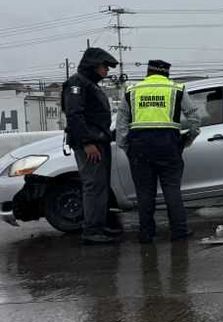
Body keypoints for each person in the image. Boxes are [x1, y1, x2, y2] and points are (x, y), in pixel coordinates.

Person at [116, 60, 201, 243]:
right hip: (168, 145)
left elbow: (121, 122)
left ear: (148, 72)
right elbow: (194, 118)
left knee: (144, 193)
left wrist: (126, 147)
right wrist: (188, 139)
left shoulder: (132, 90)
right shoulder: (176, 89)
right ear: (167, 73)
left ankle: (146, 234)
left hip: (139, 147)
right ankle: (179, 232)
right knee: (172, 190)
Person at [61, 47, 120, 244]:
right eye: (105, 67)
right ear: (94, 65)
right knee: (93, 185)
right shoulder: (77, 83)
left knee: (101, 185)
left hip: (99, 141)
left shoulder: (90, 84)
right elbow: (74, 115)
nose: (107, 71)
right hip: (90, 144)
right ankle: (92, 230)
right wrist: (87, 143)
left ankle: (99, 225)